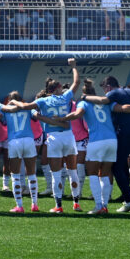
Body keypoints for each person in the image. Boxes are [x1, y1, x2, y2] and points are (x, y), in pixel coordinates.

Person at [62, 78, 130, 214]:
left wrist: (61, 119)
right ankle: (104, 205)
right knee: (105, 173)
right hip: (112, 141)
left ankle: (99, 206)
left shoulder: (83, 103)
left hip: (97, 141)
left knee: (92, 173)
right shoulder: (106, 102)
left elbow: (77, 114)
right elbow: (122, 108)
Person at [14, 58, 82, 213]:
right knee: (72, 171)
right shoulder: (65, 98)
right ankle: (76, 203)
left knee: (56, 173)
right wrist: (73, 67)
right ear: (58, 87)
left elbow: (24, 106)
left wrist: (14, 102)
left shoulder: (43, 101)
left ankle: (58, 206)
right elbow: (77, 82)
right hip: (68, 135)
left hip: (53, 138)